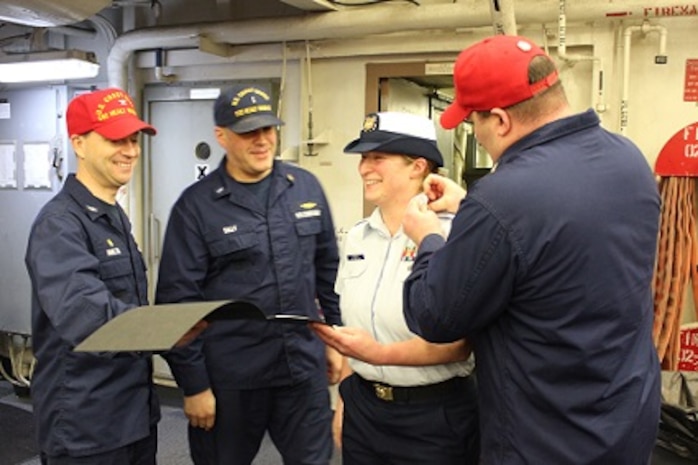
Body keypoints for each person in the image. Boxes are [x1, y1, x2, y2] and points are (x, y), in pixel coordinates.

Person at [401, 35, 661, 464]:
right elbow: (561, 240)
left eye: (474, 123)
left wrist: (428, 236)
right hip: (623, 422)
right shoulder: (628, 160)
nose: (478, 135)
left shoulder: (501, 198)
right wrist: (471, 209)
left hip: (545, 439)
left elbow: (434, 315)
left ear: (500, 120)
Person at [155, 83, 341, 465]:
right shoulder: (196, 207)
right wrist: (194, 386)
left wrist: (335, 338)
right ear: (221, 136)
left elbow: (328, 271)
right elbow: (177, 306)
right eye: (248, 132)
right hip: (231, 379)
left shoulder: (304, 187)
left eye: (268, 129)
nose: (262, 141)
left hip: (300, 370)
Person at [311, 111, 479, 465]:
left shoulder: (455, 237)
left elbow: (460, 345)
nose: (364, 168)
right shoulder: (357, 236)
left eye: (377, 157)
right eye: (362, 158)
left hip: (433, 416)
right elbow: (352, 329)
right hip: (365, 407)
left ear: (417, 166)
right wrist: (343, 402)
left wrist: (375, 353)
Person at [24, 88, 161, 465]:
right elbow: (85, 314)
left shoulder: (113, 216)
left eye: (134, 139)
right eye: (116, 139)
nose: (130, 150)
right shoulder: (59, 224)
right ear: (79, 144)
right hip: (86, 427)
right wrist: (164, 330)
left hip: (133, 415)